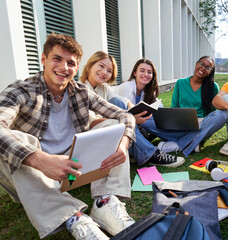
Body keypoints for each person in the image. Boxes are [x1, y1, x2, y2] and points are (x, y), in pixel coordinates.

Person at [0, 33, 136, 240]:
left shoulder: (81, 91)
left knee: (111, 125)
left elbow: (124, 115)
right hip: (34, 176)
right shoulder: (21, 90)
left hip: (73, 172)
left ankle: (105, 202)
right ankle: (75, 219)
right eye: (57, 59)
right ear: (44, 59)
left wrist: (123, 146)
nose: (64, 67)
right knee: (17, 140)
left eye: (71, 63)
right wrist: (40, 159)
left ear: (77, 67)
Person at [80, 51, 184, 168]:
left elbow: (123, 101)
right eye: (101, 66)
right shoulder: (81, 90)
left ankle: (142, 150)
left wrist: (130, 109)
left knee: (120, 103)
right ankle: (151, 153)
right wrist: (129, 119)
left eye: (109, 70)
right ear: (90, 65)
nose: (104, 72)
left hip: (121, 129)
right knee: (120, 107)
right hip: (97, 136)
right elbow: (91, 123)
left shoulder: (103, 88)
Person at [135, 56, 227, 156]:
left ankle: (178, 144)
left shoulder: (213, 87)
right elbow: (174, 107)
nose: (203, 68)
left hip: (200, 124)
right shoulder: (180, 83)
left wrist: (202, 123)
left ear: (210, 71)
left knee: (221, 115)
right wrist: (175, 121)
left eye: (208, 68)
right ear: (197, 64)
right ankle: (193, 142)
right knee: (146, 120)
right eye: (202, 64)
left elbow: (212, 113)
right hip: (179, 124)